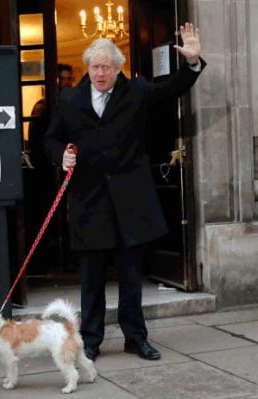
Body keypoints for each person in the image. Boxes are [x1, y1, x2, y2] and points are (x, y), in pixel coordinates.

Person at [44, 23, 204, 361]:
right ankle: (90, 340)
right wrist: (62, 154)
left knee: (132, 277)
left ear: (119, 68)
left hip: (131, 200)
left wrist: (192, 62)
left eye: (107, 67)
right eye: (95, 67)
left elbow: (172, 88)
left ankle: (136, 337)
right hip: (89, 201)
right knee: (91, 279)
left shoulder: (136, 92)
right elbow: (50, 138)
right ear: (88, 68)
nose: (100, 73)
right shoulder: (71, 99)